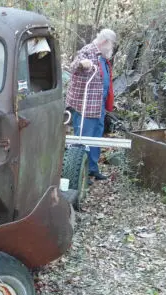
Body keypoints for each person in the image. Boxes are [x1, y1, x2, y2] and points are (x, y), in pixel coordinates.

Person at [65, 29, 116, 183]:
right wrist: (82, 63)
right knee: (83, 139)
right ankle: (80, 173)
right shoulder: (87, 51)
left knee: (96, 138)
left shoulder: (102, 56)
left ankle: (93, 169)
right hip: (85, 106)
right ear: (105, 42)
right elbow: (73, 66)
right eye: (112, 44)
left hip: (98, 105)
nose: (112, 48)